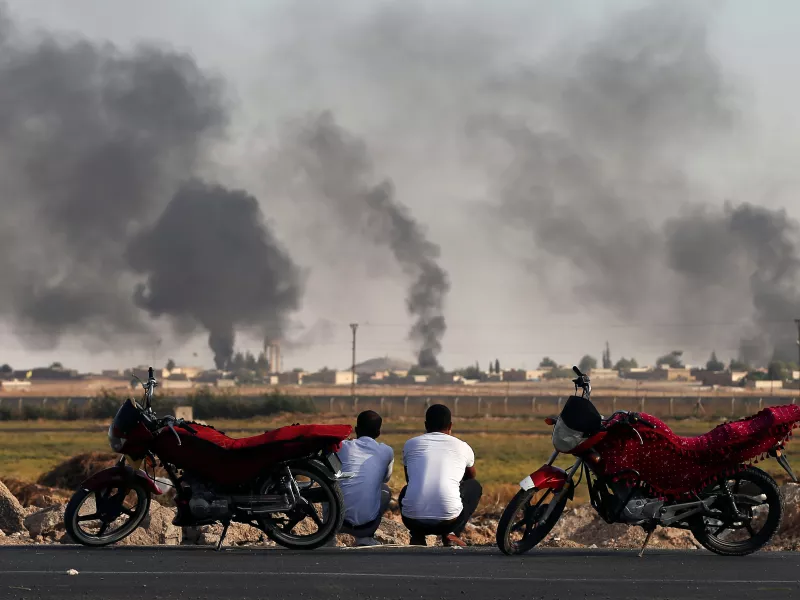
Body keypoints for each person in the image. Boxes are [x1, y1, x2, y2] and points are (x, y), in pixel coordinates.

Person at [399, 404, 482, 547]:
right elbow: (471, 476)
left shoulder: (410, 444)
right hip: (448, 522)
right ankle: (452, 534)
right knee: (474, 487)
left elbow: (409, 478)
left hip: (412, 521)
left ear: (426, 425)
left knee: (407, 489)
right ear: (450, 425)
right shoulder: (462, 446)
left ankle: (417, 536)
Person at [336, 410, 394, 546]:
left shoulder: (342, 446)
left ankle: (329, 538)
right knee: (385, 490)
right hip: (365, 527)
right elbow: (385, 479)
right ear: (378, 432)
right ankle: (365, 537)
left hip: (336, 522)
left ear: (356, 429)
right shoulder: (386, 451)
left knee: (329, 485)